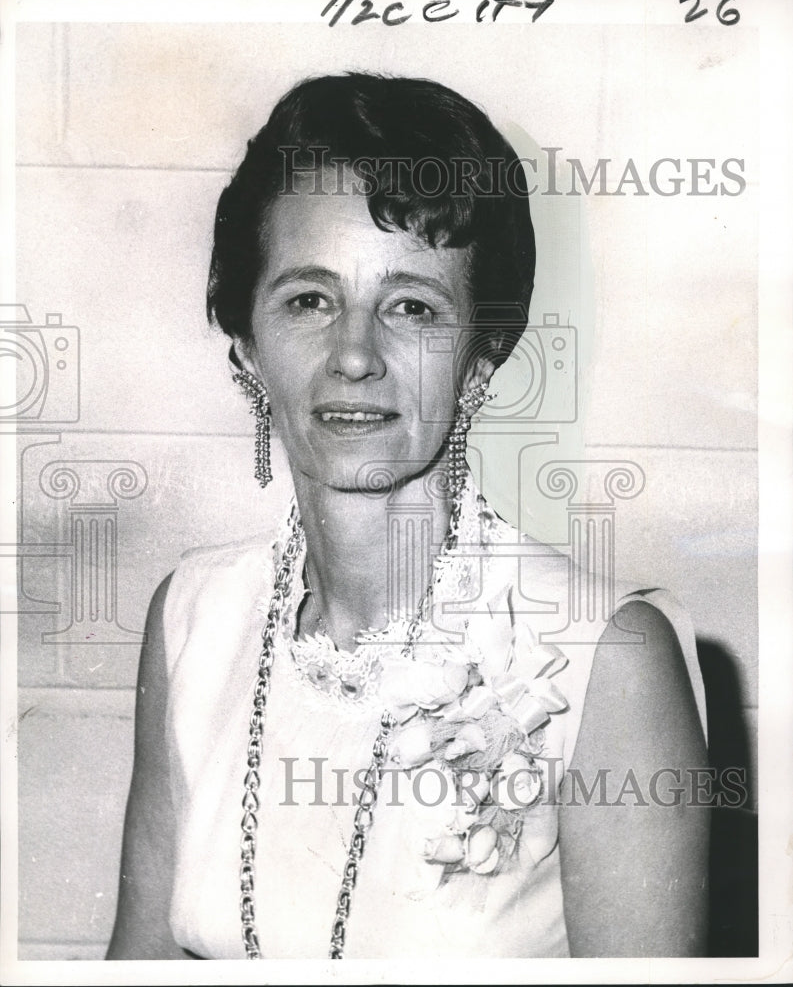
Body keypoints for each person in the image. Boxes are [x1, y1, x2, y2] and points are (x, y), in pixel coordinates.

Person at [106, 73, 709, 960]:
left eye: (412, 307)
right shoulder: (194, 614)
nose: (354, 354)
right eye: (308, 299)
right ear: (246, 343)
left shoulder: (603, 656)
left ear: (478, 359)